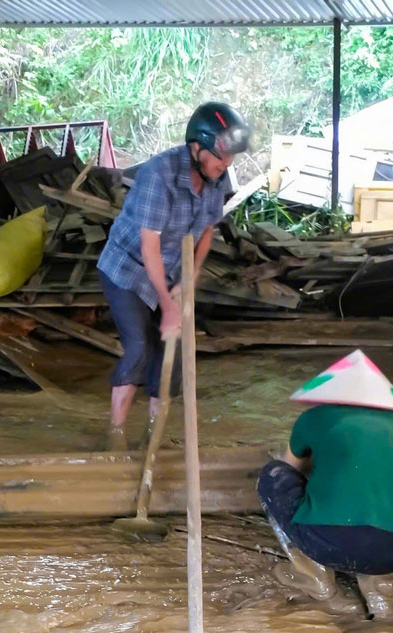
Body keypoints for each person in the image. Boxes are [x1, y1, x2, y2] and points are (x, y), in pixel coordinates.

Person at [97, 101, 250, 450]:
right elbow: (148, 245)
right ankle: (115, 438)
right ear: (197, 146)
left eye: (230, 159)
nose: (226, 165)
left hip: (170, 269)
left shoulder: (215, 178)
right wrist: (167, 306)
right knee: (138, 348)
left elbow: (207, 229)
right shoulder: (158, 175)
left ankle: (155, 437)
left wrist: (190, 280)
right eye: (220, 157)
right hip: (128, 268)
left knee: (174, 354)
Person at [257, 350, 393, 619]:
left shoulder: (314, 418)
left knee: (273, 475)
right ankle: (382, 599)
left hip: (329, 542)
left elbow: (291, 466)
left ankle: (320, 585)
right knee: (382, 495)